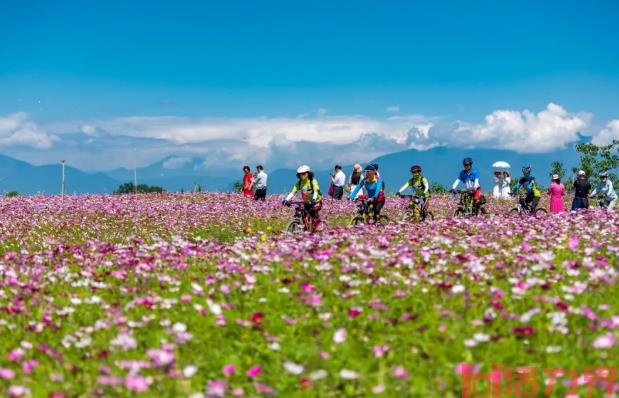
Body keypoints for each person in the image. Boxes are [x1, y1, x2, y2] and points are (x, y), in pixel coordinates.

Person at [282, 165, 324, 231]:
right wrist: (286, 199)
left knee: (312, 211)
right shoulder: (299, 183)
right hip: (307, 201)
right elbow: (293, 192)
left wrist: (313, 199)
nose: (302, 175)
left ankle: (319, 223)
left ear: (308, 173)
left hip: (316, 201)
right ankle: (306, 229)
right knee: (303, 212)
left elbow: (315, 191)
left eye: (304, 173)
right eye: (300, 174)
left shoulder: (312, 181)